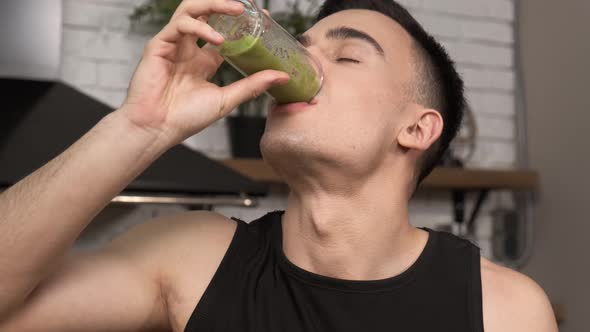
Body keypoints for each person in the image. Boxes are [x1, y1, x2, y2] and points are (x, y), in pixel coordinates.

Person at [0, 0, 558, 331]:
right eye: (302, 46)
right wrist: (139, 127)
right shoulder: (191, 258)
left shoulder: (502, 310)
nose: (302, 62)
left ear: (417, 129)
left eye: (347, 55)